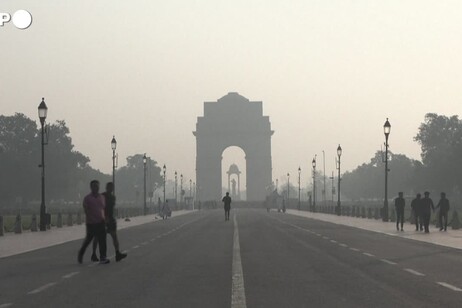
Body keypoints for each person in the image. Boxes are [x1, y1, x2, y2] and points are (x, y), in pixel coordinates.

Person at [90, 182, 127, 262]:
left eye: (112, 187)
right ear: (107, 188)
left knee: (114, 236)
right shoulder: (102, 196)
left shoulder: (112, 197)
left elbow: (110, 208)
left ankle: (117, 253)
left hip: (110, 218)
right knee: (97, 237)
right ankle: (94, 254)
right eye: (110, 187)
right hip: (102, 219)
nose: (111, 189)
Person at [78, 180, 109, 264]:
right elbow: (86, 210)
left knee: (102, 240)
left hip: (101, 222)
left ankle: (103, 257)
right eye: (94, 186)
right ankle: (81, 253)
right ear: (91, 187)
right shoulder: (87, 198)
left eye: (97, 186)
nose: (96, 187)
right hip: (91, 223)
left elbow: (103, 209)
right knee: (88, 239)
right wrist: (90, 218)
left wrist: (105, 219)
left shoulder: (102, 197)